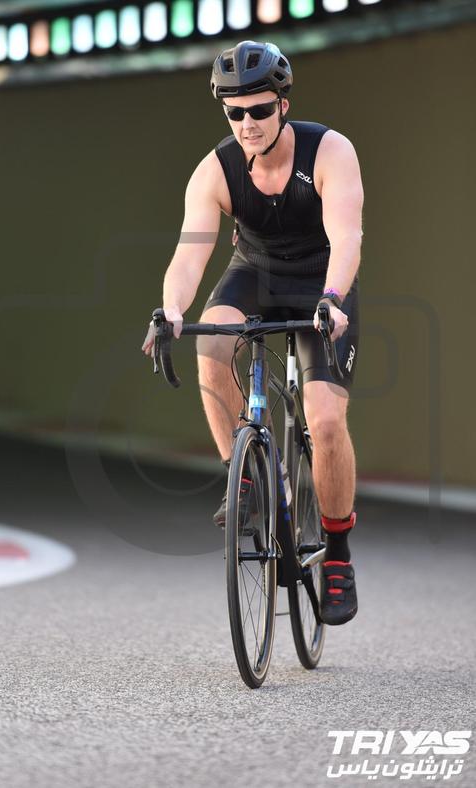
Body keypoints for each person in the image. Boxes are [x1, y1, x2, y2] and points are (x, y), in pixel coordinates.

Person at [142, 41, 363, 626]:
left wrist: (333, 299)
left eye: (260, 110)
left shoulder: (330, 151)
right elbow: (189, 253)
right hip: (255, 274)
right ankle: (243, 478)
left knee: (326, 420)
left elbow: (347, 237)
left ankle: (338, 552)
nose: (247, 124)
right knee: (212, 341)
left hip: (321, 284)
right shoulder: (215, 170)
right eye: (234, 113)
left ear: (283, 104)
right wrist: (170, 309)